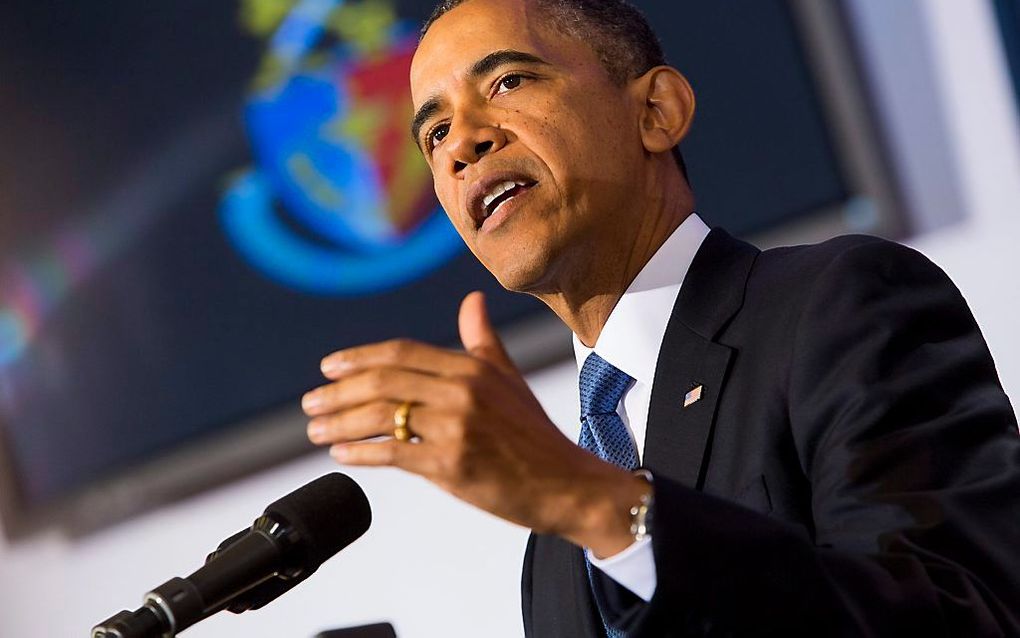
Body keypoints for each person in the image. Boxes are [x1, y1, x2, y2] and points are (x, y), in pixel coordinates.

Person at [302, 0, 1020, 635]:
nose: (463, 144)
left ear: (657, 111)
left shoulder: (841, 304)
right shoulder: (555, 552)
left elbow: (957, 617)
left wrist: (598, 505)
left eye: (508, 82)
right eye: (433, 134)